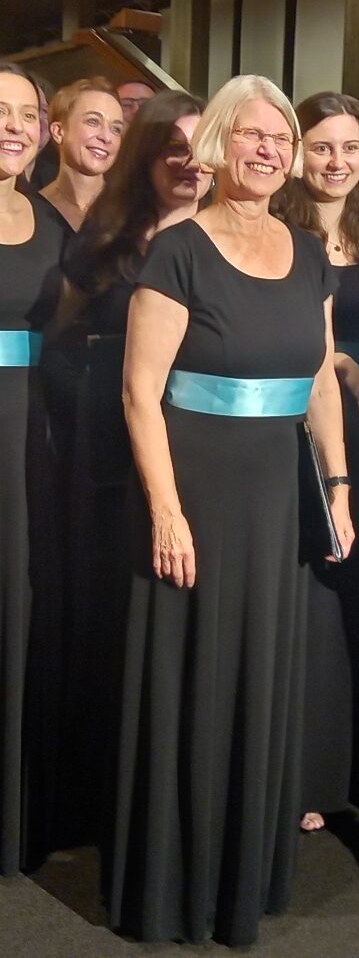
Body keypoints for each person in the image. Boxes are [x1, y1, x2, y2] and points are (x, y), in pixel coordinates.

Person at [106, 75, 353, 946]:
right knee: (193, 676)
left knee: (261, 673)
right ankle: (177, 885)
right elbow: (140, 394)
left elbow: (319, 376)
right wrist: (166, 513)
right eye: (251, 134)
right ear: (216, 142)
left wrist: (339, 484)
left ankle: (245, 871)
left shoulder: (308, 251)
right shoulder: (178, 249)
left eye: (280, 136)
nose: (268, 149)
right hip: (199, 490)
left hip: (278, 498)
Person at [49, 89, 210, 846]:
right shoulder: (105, 240)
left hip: (207, 464)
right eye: (171, 146)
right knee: (113, 623)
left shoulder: (235, 239)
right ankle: (105, 791)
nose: (187, 160)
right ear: (144, 155)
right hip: (112, 461)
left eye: (198, 144)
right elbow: (61, 341)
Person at [275, 90, 359, 832]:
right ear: (295, 151)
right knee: (309, 603)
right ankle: (298, 769)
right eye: (322, 146)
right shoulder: (276, 230)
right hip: (299, 432)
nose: (337, 161)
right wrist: (336, 360)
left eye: (350, 148)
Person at [0, 63, 68, 874]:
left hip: (32, 444)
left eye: (26, 113)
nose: (13, 125)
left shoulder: (50, 223)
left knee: (18, 617)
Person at [40, 78, 123, 231]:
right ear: (58, 131)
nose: (106, 137)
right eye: (93, 121)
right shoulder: (32, 211)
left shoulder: (134, 212)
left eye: (116, 129)